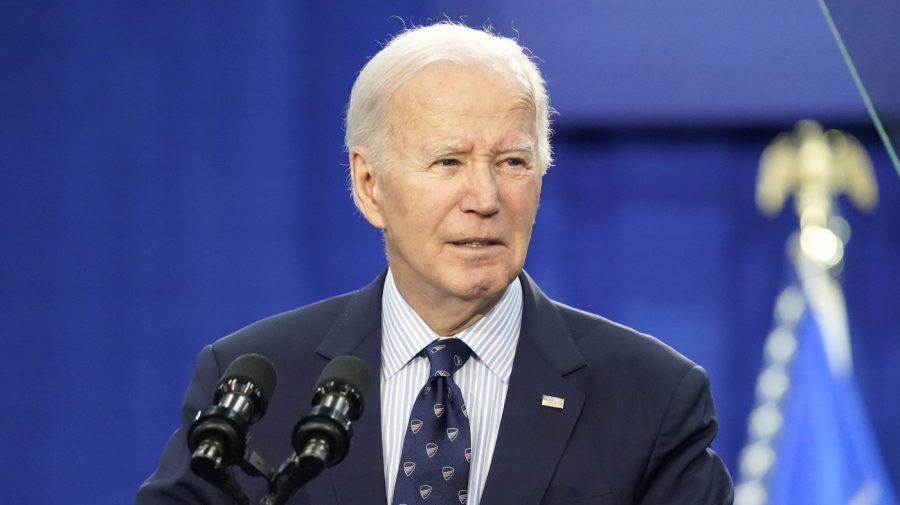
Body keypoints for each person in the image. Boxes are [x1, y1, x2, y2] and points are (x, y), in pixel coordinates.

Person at [137, 22, 733, 505]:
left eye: (513, 163)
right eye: (448, 162)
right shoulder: (257, 383)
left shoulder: (650, 397)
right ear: (369, 184)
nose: (485, 198)